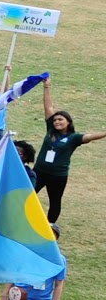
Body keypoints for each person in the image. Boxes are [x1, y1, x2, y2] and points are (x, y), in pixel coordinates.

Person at [37, 77, 102, 224]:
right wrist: (47, 87)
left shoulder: (74, 138)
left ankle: (49, 228)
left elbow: (89, 137)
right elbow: (48, 107)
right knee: (26, 195)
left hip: (57, 176)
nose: (57, 122)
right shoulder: (50, 129)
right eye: (55, 120)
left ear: (68, 122)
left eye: (60, 119)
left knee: (55, 201)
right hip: (39, 171)